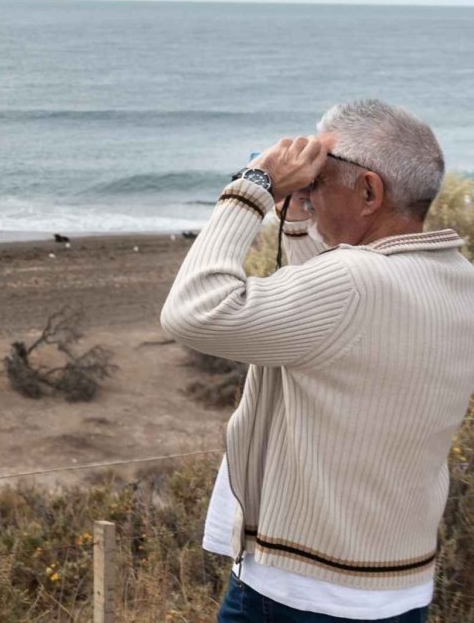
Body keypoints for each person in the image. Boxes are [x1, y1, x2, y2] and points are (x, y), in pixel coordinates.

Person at [160, 99, 474, 622]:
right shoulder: (456, 279)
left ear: (369, 191)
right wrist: (303, 221)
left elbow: (194, 312)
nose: (304, 185)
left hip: (300, 592)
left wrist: (253, 185)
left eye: (319, 176)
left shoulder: (354, 281)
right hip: (397, 584)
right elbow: (330, 335)